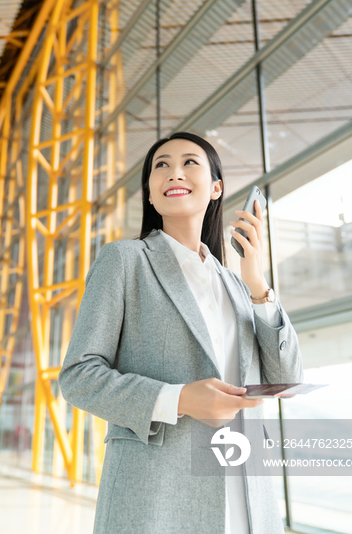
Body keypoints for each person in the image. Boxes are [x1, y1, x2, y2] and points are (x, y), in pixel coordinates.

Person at [59, 132, 303, 534]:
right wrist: (179, 399)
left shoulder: (239, 286)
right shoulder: (125, 261)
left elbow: (286, 379)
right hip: (156, 498)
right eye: (161, 165)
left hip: (246, 495)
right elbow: (78, 376)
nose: (174, 171)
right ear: (151, 195)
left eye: (190, 162)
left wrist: (258, 283)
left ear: (216, 188)